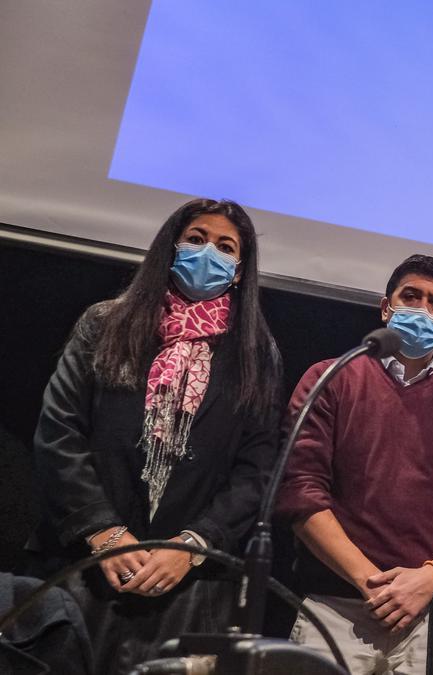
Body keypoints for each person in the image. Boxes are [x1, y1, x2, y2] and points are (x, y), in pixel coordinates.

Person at [26, 199, 282, 674]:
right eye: (197, 239)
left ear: (241, 270)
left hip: (190, 584)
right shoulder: (104, 323)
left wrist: (193, 544)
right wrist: (104, 532)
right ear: (171, 247)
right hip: (85, 566)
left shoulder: (256, 354)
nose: (209, 253)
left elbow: (258, 469)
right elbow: (59, 430)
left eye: (226, 247)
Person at [276, 254, 433, 675]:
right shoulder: (331, 377)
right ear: (386, 308)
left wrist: (430, 577)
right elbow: (299, 491)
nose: (422, 309)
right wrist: (372, 584)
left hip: (432, 611)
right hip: (337, 605)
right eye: (410, 297)